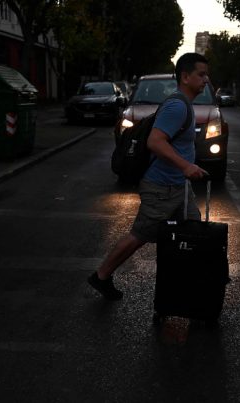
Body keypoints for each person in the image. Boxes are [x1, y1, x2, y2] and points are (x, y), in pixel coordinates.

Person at [88, 53, 210, 300]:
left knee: (194, 232)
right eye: (201, 74)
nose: (206, 80)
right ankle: (101, 275)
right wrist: (186, 166)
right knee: (139, 236)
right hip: (161, 187)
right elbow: (155, 142)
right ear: (185, 77)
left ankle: (188, 285)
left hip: (178, 188)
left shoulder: (183, 104)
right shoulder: (177, 106)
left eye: (207, 74)